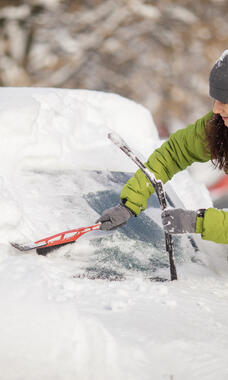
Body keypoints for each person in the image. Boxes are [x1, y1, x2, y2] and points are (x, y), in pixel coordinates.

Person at [97, 50, 228, 245]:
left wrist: (199, 222)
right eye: (216, 100)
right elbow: (173, 154)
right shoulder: (218, 126)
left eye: (225, 101)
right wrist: (129, 203)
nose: (216, 109)